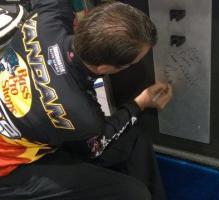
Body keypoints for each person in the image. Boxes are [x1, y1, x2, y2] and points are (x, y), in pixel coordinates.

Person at [0, 1, 172, 199]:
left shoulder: (48, 17)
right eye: (133, 63)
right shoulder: (83, 116)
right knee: (134, 194)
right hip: (9, 170)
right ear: (104, 69)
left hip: (33, 127)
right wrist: (139, 103)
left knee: (135, 141)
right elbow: (95, 148)